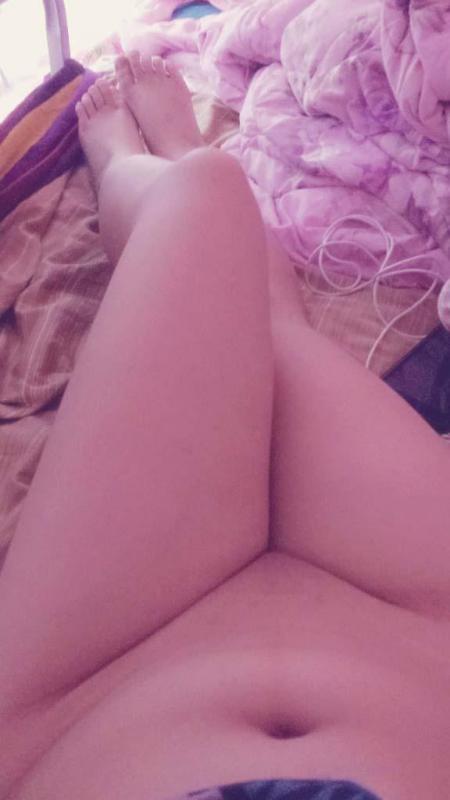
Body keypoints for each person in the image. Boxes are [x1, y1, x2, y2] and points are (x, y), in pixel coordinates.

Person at [0, 52, 449, 800]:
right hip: (425, 632)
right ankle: (172, 154)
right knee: (257, 307)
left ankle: (127, 167)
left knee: (206, 201)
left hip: (87, 687)